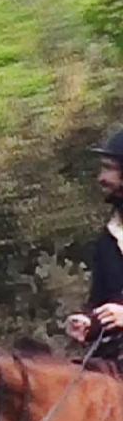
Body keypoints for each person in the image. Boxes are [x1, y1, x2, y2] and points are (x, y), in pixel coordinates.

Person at [65, 130, 123, 363]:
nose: (101, 178)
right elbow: (103, 302)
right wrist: (90, 323)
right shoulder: (107, 239)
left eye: (109, 168)